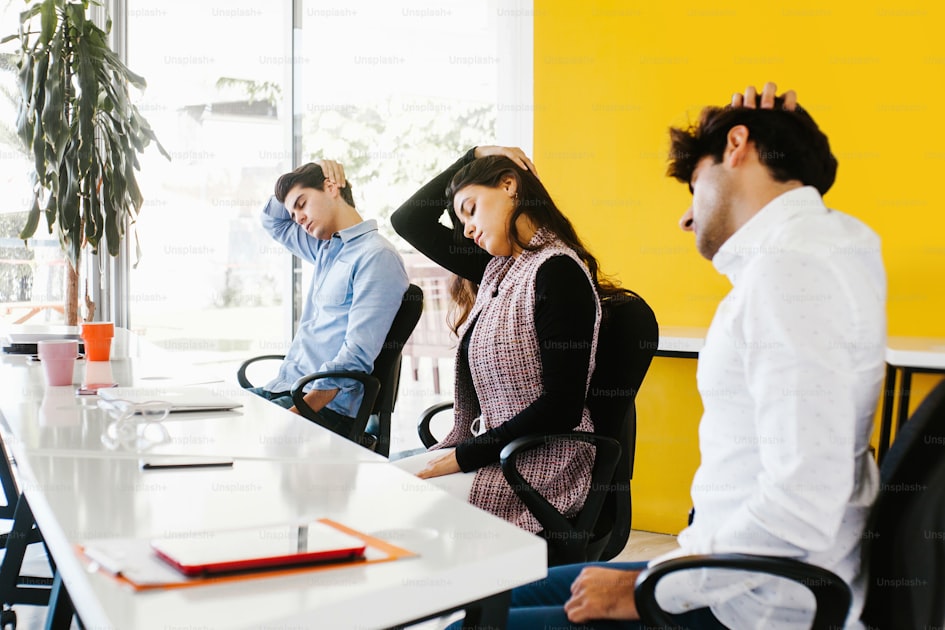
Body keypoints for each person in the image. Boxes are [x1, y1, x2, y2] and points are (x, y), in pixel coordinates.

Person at [489, 82, 886, 630]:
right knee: (487, 600)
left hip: (746, 605)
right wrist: (791, 146)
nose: (685, 217)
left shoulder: (791, 271)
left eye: (695, 182)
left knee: (473, 623)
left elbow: (803, 499)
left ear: (737, 146)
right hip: (733, 574)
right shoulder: (836, 246)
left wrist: (654, 588)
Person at [390, 145, 632, 533]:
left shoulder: (558, 272)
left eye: (470, 209)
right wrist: (474, 154)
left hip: (541, 469)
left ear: (509, 185)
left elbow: (561, 408)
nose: (467, 229)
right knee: (377, 491)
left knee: (394, 510)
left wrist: (464, 456)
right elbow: (408, 220)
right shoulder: (498, 272)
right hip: (496, 454)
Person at [247, 161, 409, 438]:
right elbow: (271, 221)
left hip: (322, 408)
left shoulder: (376, 256)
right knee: (217, 414)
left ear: (331, 187)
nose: (297, 217)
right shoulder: (325, 248)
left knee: (232, 438)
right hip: (285, 388)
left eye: (302, 203)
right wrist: (310, 165)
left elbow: (355, 356)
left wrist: (294, 418)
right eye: (293, 212)